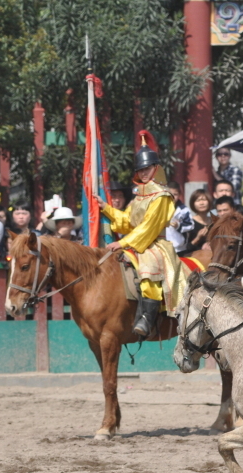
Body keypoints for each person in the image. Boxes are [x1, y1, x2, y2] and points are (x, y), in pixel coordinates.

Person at [98, 134, 185, 338]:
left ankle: (147, 317)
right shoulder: (139, 196)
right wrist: (107, 209)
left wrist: (123, 242)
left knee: (149, 269)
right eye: (140, 170)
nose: (144, 173)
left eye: (147, 169)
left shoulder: (162, 196)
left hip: (154, 244)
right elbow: (128, 222)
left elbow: (149, 228)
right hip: (135, 241)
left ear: (156, 168)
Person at [165, 181, 193, 254]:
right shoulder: (159, 209)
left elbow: (190, 225)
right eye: (169, 194)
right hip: (163, 246)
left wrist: (178, 226)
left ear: (180, 194)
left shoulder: (183, 210)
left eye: (175, 194)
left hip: (179, 248)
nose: (172, 197)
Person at [186, 189, 212, 253]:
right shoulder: (189, 223)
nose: (201, 203)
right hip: (193, 259)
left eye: (204, 200)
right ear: (193, 204)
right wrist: (198, 238)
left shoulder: (214, 222)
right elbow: (185, 248)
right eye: (198, 200)